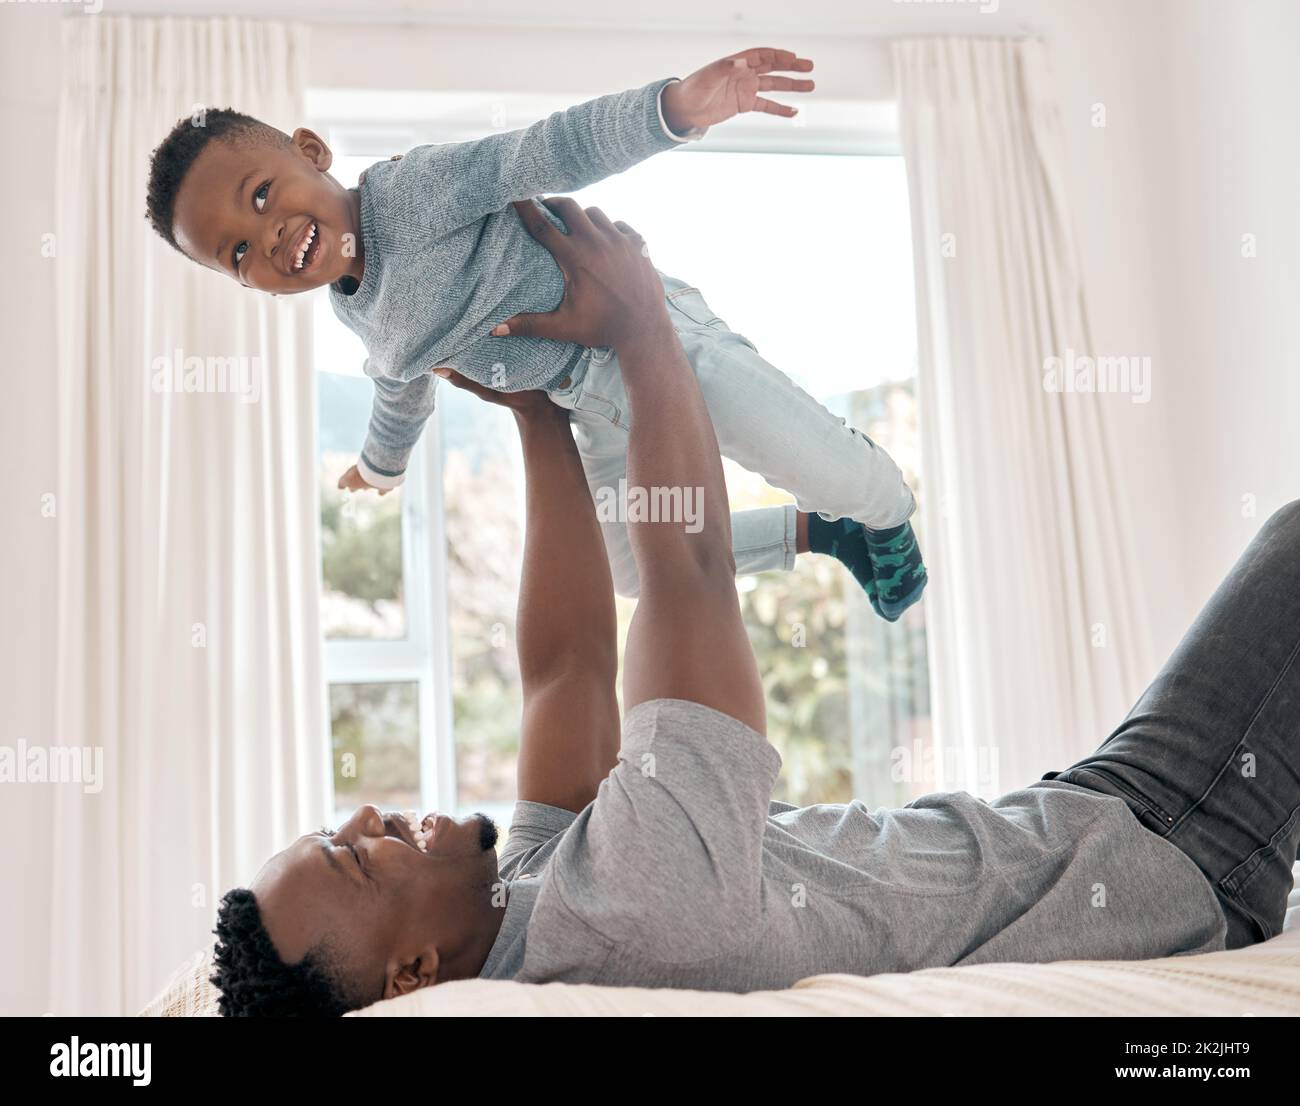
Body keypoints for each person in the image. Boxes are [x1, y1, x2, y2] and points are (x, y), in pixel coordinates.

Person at [211, 198, 1299, 1017]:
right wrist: (641, 328)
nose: (365, 816)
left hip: (1080, 817)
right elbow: (685, 566)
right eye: (356, 857)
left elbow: (569, 664)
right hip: (1165, 839)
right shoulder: (635, 908)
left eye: (335, 826)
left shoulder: (535, 899)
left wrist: (537, 406)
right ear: (411, 974)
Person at [144, 47, 926, 621]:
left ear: (310, 153)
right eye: (237, 253)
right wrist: (380, 470)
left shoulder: (410, 192)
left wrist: (675, 109)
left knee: (854, 485)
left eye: (260, 194)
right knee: (633, 565)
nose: (268, 239)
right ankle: (819, 532)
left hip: (655, 340)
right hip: (591, 397)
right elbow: (400, 391)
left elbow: (546, 150)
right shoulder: (355, 310)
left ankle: (874, 504)